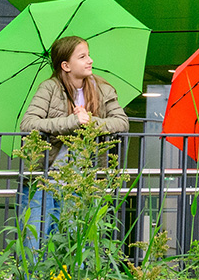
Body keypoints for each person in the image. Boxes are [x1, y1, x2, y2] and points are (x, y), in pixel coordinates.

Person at [19, 35, 128, 252]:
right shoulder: (49, 88)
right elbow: (28, 123)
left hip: (84, 181)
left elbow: (121, 122)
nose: (90, 60)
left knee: (75, 246)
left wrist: (91, 122)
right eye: (83, 56)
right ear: (66, 65)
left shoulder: (103, 89)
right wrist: (72, 121)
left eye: (88, 55)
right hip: (45, 179)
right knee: (35, 242)